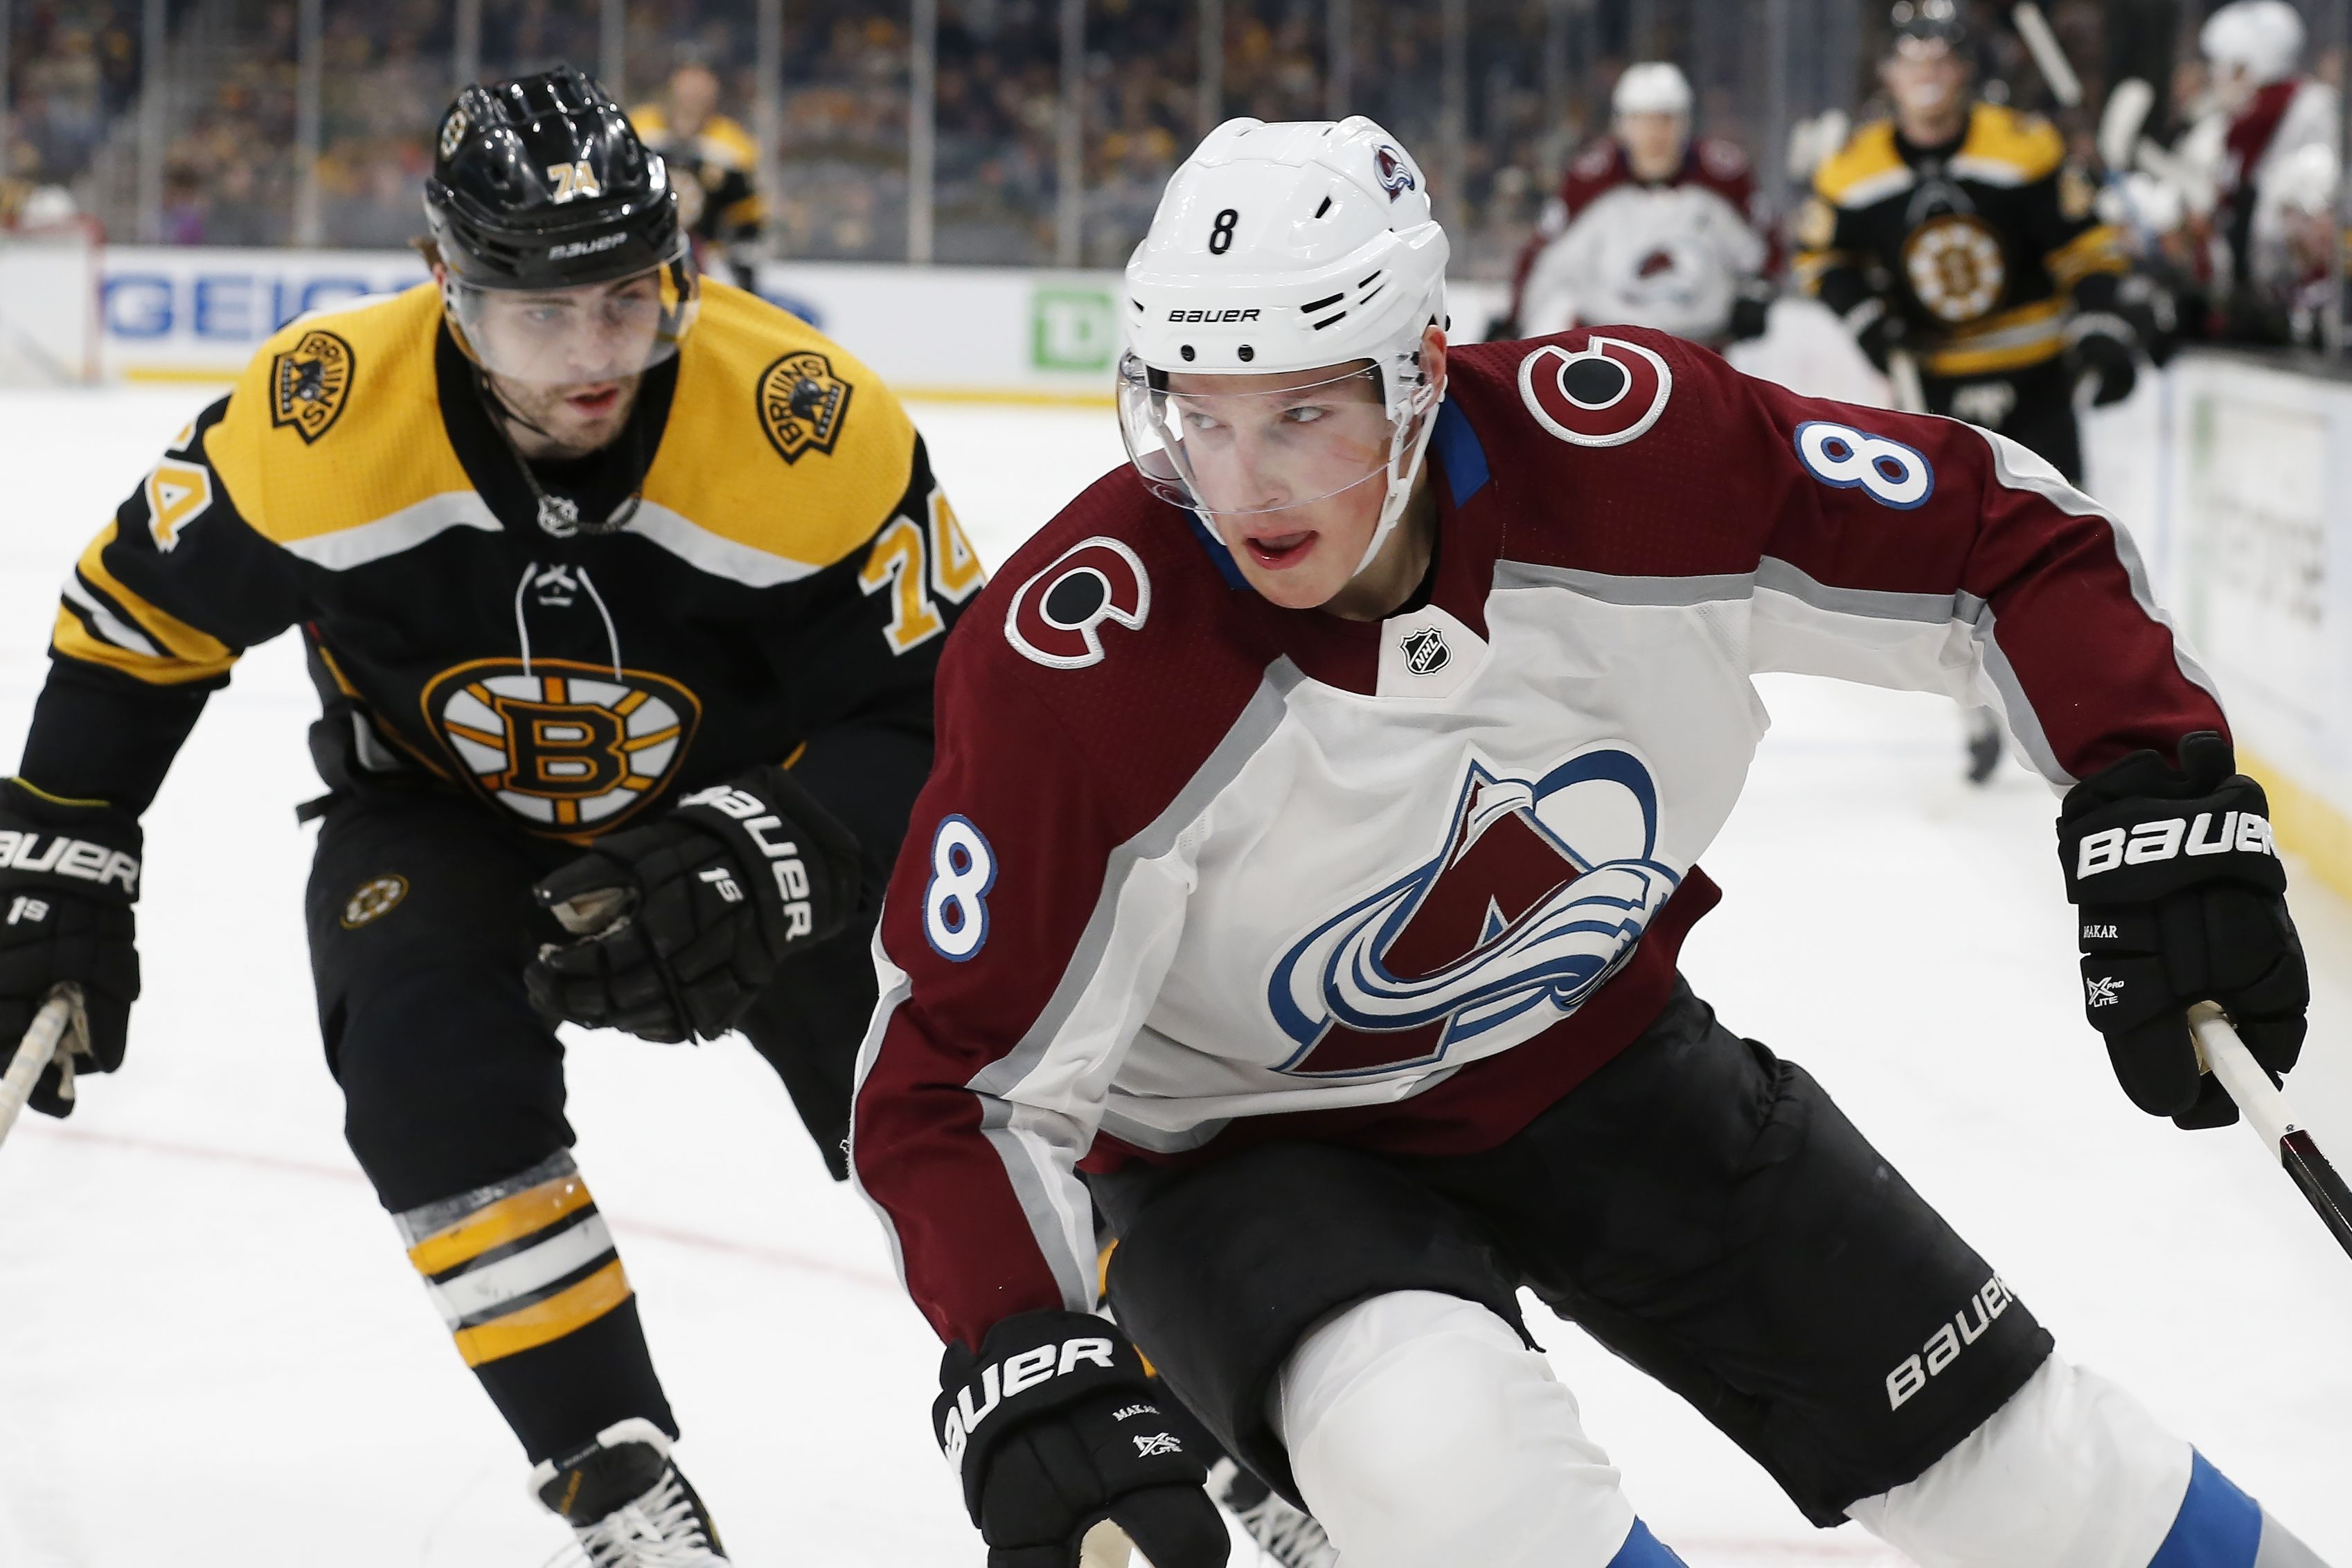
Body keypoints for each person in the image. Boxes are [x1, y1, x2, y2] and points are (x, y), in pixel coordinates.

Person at [849, 114, 2324, 1568]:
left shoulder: (1635, 455)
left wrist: (2153, 789)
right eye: (1203, 416)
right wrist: (1025, 1349)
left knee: (2033, 1472)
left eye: (1303, 412)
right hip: (1240, 1153)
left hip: (1599, 1053)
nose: (1244, 488)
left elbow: (2003, 540)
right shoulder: (1080, 659)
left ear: (1421, 369)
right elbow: (947, 1080)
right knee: (1459, 1478)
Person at [0, 66, 974, 1563]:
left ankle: (1149, 1402)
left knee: (955, 1082)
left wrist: (776, 848)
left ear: (679, 271)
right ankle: (608, 1463)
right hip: (439, 813)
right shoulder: (319, 418)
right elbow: (137, 626)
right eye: (539, 310)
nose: (596, 353)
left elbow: (948, 713)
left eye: (629, 297)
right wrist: (62, 853)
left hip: (747, 816)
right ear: (443, 289)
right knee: (419, 1062)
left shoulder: (802, 423)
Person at [1797, 0, 2139, 785]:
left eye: (1942, 61)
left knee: (2063, 543)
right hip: (1936, 383)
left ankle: (2089, 705)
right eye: (1912, 61)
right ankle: (1979, 706)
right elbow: (1822, 260)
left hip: (2034, 375)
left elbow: (2086, 244)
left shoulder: (2022, 150)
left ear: (1964, 71)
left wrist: (2098, 323)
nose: (1927, 76)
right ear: (1889, 74)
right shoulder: (1854, 170)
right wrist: (1872, 324)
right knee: (1959, 561)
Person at [1502, 61, 1776, 346]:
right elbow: (1547, 259)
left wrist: (1758, 292)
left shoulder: (1723, 175)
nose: (1654, 134)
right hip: (1606, 350)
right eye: (1642, 121)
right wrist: (1514, 321)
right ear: (1621, 124)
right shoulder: (1589, 178)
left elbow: (1763, 245)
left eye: (1665, 120)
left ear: (1685, 122)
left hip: (1702, 348)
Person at [2174, 0, 2341, 344]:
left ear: (2252, 67)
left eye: (2227, 67)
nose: (2214, 77)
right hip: (2227, 311)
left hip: (2288, 317)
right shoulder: (2223, 127)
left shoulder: (2308, 110)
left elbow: (2306, 217)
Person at [632, 60, 766, 289]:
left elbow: (747, 216)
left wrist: (743, 271)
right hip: (641, 256)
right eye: (688, 81)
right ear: (672, 85)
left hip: (706, 263)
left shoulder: (734, 144)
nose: (694, 91)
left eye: (702, 82)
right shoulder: (638, 128)